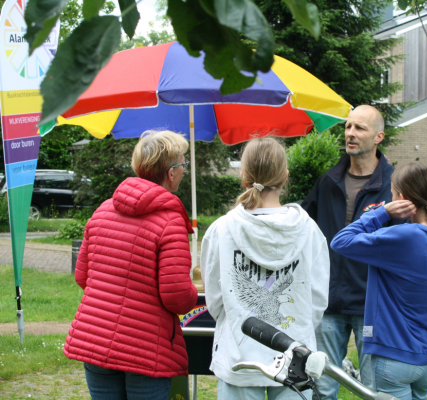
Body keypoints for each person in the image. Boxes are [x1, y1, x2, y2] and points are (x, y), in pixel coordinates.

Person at [302, 105, 427, 399]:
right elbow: (307, 230)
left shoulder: (397, 185)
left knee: (373, 389)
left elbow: (415, 237)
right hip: (328, 301)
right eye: (348, 127)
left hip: (374, 307)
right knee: (322, 387)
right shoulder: (327, 181)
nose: (350, 134)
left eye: (360, 128)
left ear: (379, 136)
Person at [63, 130, 198, 399]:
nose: (184, 170)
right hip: (145, 349)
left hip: (94, 340)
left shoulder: (102, 210)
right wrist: (194, 291)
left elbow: (83, 276)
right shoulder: (170, 221)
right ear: (171, 173)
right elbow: (177, 298)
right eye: (184, 164)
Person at [200, 136, 330, 400]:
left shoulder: (220, 231)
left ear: (243, 178)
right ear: (285, 177)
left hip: (240, 355)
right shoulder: (311, 233)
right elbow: (317, 301)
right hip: (295, 357)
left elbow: (215, 300)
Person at [330, 161, 427, 400]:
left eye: (392, 196)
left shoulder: (400, 237)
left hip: (392, 358)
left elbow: (341, 241)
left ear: (401, 198)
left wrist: (382, 212)